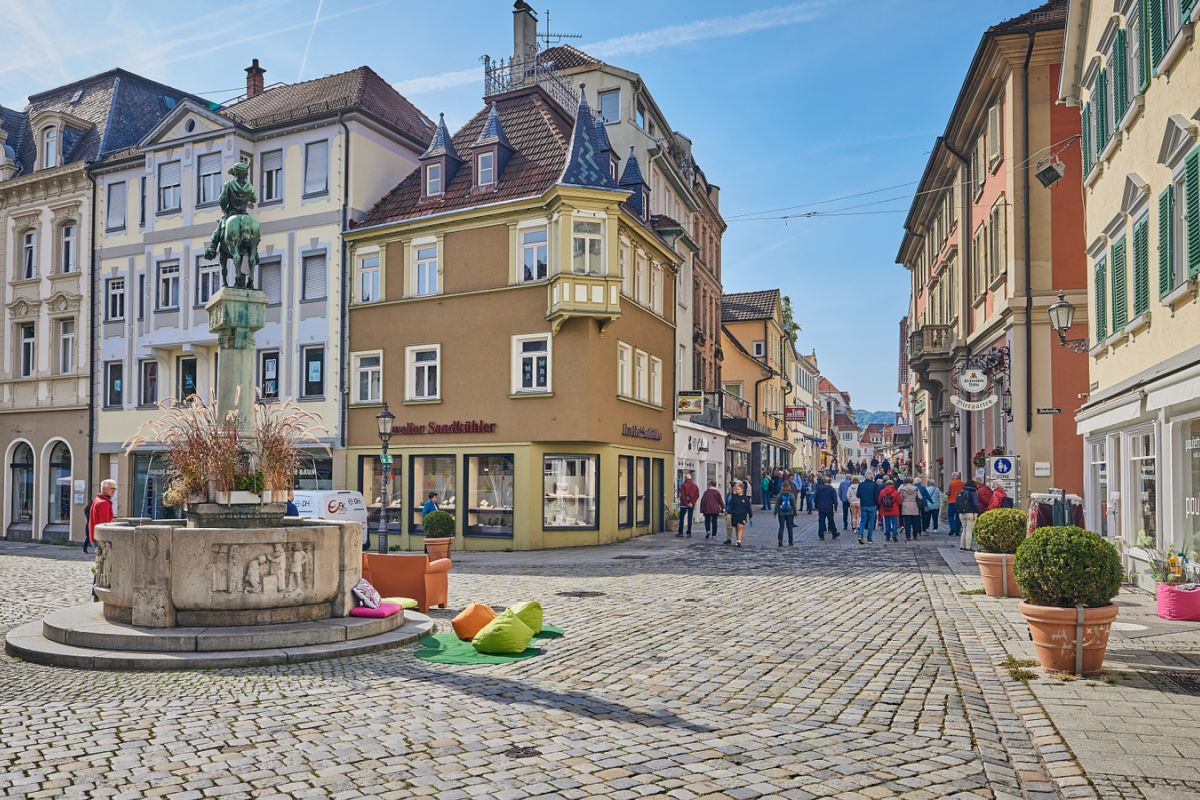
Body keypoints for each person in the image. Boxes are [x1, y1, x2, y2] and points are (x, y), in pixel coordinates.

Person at [85, 479, 116, 554]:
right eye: (111, 488)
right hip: (100, 538)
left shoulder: (97, 499)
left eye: (114, 489)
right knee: (105, 563)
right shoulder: (103, 503)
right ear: (104, 489)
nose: (114, 490)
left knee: (100, 562)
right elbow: (105, 524)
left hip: (94, 536)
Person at [956, 478, 981, 550]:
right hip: (971, 513)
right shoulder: (973, 492)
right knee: (969, 530)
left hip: (961, 513)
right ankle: (968, 547)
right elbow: (976, 503)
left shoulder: (962, 491)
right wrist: (978, 511)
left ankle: (962, 546)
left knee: (964, 529)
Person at [726, 481, 753, 547]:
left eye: (738, 489)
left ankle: (739, 540)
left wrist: (750, 515)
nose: (737, 491)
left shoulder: (745, 498)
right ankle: (738, 538)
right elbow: (731, 506)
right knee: (737, 527)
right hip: (735, 515)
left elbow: (748, 507)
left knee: (740, 526)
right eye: (736, 489)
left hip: (742, 515)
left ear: (742, 490)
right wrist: (729, 512)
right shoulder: (734, 498)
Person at [774, 478, 798, 547]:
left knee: (781, 527)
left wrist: (775, 512)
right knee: (789, 527)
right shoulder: (791, 495)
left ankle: (780, 541)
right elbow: (794, 505)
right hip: (790, 513)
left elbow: (777, 505)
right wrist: (795, 513)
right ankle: (790, 541)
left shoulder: (779, 495)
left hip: (781, 513)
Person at [857, 473, 879, 543]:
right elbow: (876, 496)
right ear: (871, 477)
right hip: (872, 505)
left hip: (863, 504)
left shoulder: (861, 484)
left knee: (863, 521)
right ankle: (869, 538)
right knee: (871, 522)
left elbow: (858, 495)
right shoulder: (875, 485)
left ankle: (860, 535)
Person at [898, 477, 921, 541]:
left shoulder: (903, 489)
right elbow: (920, 497)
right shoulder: (916, 488)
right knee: (915, 523)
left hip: (906, 506)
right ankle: (915, 536)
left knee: (907, 523)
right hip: (914, 506)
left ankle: (908, 537)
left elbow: (901, 498)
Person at [676, 473, 699, 538]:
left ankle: (680, 532)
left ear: (685, 478)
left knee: (682, 518)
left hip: (683, 504)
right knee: (690, 518)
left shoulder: (683, 485)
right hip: (691, 505)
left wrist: (686, 503)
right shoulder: (695, 486)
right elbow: (697, 495)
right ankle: (689, 532)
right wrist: (692, 503)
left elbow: (682, 495)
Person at [946, 471, 965, 538]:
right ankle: (957, 531)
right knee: (958, 516)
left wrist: (947, 493)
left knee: (950, 515)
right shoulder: (963, 483)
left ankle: (953, 528)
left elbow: (948, 492)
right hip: (960, 502)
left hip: (952, 501)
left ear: (954, 477)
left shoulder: (951, 483)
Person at [847, 476, 863, 542]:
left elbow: (847, 496)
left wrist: (850, 501)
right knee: (859, 515)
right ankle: (859, 525)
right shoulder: (860, 487)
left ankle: (854, 528)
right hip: (859, 502)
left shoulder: (850, 487)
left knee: (853, 515)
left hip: (852, 503)